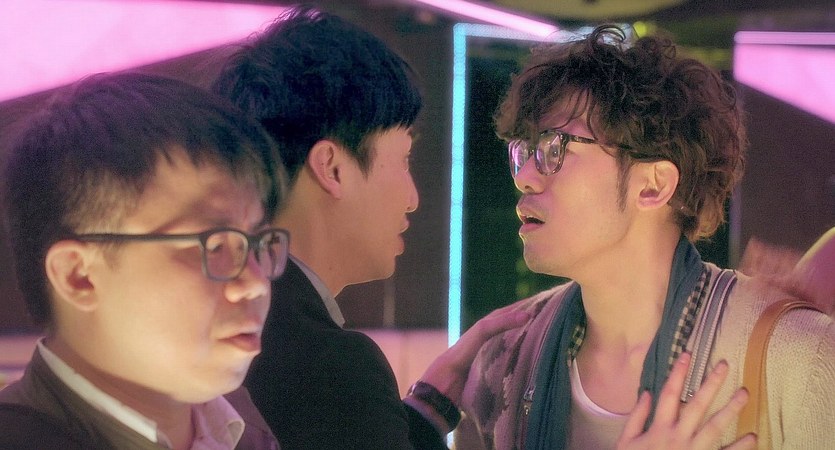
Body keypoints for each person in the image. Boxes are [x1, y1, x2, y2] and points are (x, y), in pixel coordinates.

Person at [456, 24, 835, 449]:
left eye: (555, 148)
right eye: (524, 153)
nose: (524, 176)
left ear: (653, 186)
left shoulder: (799, 359)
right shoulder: (503, 363)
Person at [212, 6, 537, 449]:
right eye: (403, 158)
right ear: (332, 168)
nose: (413, 198)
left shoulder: (225, 324)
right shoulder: (331, 365)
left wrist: (429, 405)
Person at [0, 72, 290, 449]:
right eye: (214, 246)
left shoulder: (246, 429)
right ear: (78, 275)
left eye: (256, 243)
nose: (255, 283)